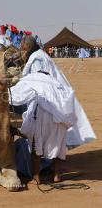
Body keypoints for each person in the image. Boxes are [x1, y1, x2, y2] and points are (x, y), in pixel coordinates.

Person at [10, 36, 96, 183]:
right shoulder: (55, 83)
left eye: (23, 49)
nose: (22, 52)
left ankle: (36, 177)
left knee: (36, 145)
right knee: (59, 145)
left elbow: (18, 95)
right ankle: (57, 176)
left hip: (43, 114)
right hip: (60, 116)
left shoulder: (35, 70)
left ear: (27, 48)